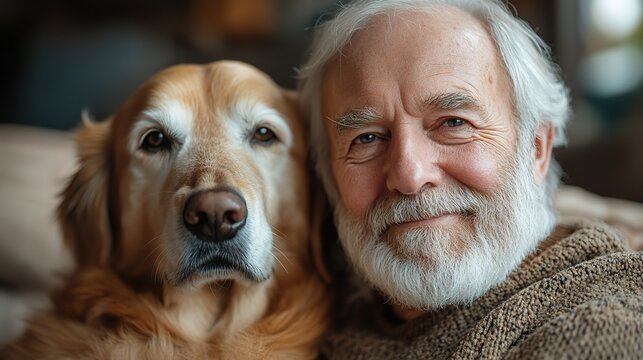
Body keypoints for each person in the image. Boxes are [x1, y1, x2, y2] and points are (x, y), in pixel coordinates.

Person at [297, 0, 643, 358]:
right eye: (366, 138)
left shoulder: (602, 324)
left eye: (453, 123)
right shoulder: (323, 325)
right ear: (328, 179)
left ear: (536, 148)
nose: (409, 175)